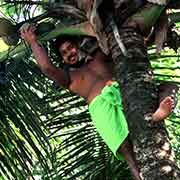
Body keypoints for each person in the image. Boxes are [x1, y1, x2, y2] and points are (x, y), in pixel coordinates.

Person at [20, 24, 175, 180]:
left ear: (78, 46)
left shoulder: (99, 56)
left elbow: (130, 42)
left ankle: (159, 114)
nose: (69, 54)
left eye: (70, 48)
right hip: (102, 110)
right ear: (63, 60)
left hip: (127, 94)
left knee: (170, 86)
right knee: (130, 156)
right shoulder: (69, 77)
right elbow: (47, 68)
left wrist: (161, 32)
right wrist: (33, 42)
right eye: (64, 53)